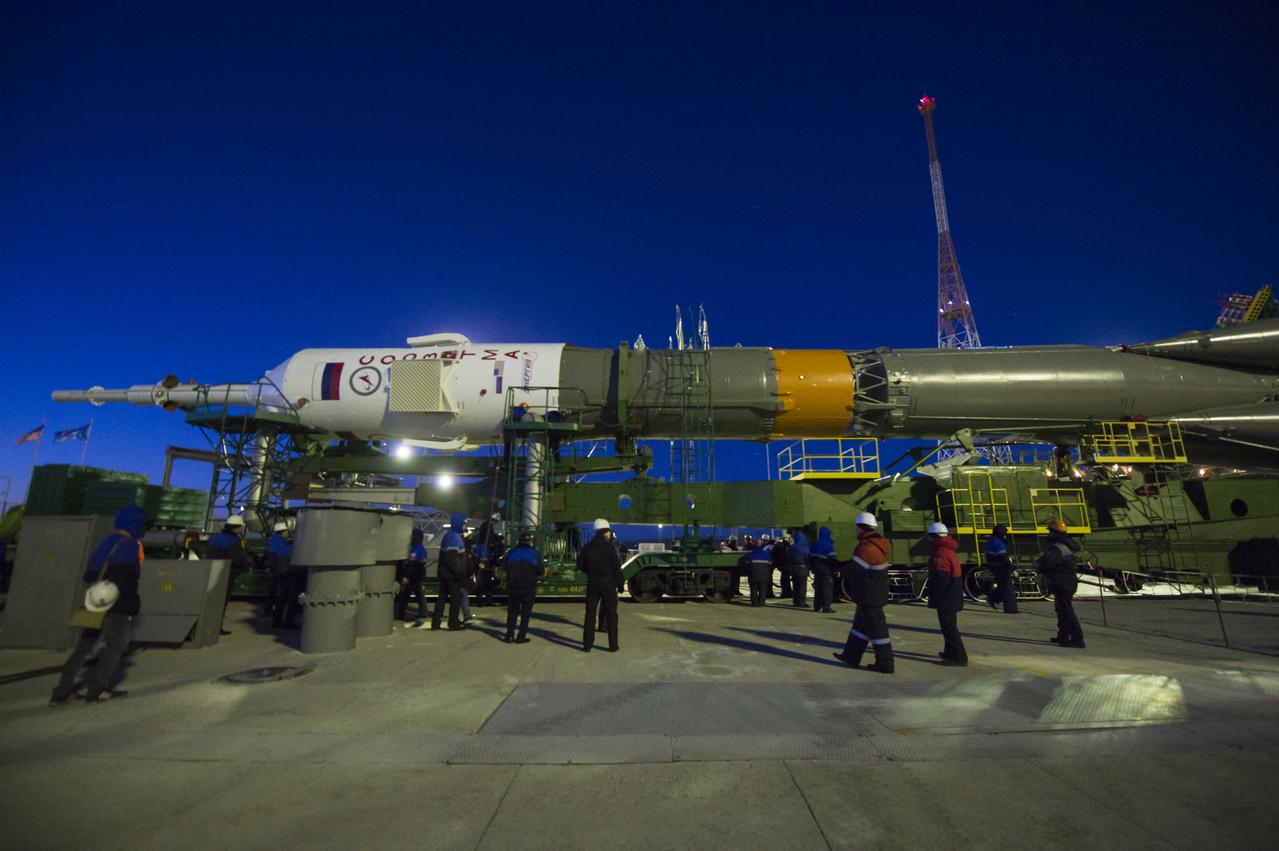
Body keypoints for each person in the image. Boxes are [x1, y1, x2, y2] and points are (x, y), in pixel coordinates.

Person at [51, 504, 148, 704]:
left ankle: (62, 691)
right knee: (116, 645)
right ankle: (97, 689)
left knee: (84, 646)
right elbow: (126, 580)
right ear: (136, 524)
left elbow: (89, 574)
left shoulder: (106, 542)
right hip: (117, 605)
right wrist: (132, 604)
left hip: (94, 602)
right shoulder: (130, 545)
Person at [834, 512, 895, 674]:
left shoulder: (867, 547)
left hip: (870, 595)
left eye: (856, 528)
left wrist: (840, 568)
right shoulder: (876, 544)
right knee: (859, 627)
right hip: (870, 594)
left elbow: (855, 569)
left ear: (861, 528)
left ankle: (885, 664)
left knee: (878, 631)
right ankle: (851, 656)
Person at [925, 522, 968, 666]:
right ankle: (950, 651)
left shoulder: (940, 553)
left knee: (949, 628)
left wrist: (933, 594)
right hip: (952, 594)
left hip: (946, 597)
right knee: (949, 626)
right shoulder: (948, 550)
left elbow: (941, 578)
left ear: (933, 536)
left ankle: (959, 657)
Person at [1038, 519, 1085, 648]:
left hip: (1062, 582)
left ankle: (1077, 638)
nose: (1049, 534)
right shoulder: (1064, 545)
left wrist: (1038, 565)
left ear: (1054, 532)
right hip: (1064, 581)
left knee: (1066, 611)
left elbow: (1047, 563)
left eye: (1050, 531)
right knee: (1062, 609)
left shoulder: (1057, 548)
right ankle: (1063, 635)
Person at [580, 518, 623, 652]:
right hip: (608, 584)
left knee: (590, 614)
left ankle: (587, 645)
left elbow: (580, 565)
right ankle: (613, 646)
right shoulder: (610, 547)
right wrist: (621, 584)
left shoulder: (587, 547)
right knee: (611, 614)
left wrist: (590, 572)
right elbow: (617, 568)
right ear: (606, 532)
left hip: (592, 583)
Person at [206, 514, 249, 635]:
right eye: (240, 527)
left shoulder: (216, 538)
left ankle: (207, 625)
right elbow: (237, 558)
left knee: (210, 599)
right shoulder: (235, 541)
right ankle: (217, 627)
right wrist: (244, 566)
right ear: (237, 528)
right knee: (222, 601)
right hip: (226, 573)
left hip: (211, 571)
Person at [503, 531, 546, 643]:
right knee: (525, 613)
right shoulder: (534, 554)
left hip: (513, 586)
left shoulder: (511, 553)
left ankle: (509, 635)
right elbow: (540, 571)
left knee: (512, 612)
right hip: (528, 587)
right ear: (530, 542)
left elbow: (504, 567)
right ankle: (521, 636)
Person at [431, 512, 467, 631]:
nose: (464, 525)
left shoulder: (448, 535)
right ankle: (453, 623)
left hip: (444, 574)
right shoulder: (455, 538)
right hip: (452, 576)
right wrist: (460, 574)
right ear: (459, 523)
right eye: (463, 523)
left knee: (441, 599)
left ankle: (435, 623)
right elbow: (453, 560)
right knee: (455, 600)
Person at [267, 521, 299, 629]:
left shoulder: (276, 543)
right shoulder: (288, 545)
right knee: (292, 598)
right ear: (283, 532)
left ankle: (276, 621)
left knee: (281, 598)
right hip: (290, 573)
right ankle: (289, 622)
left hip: (280, 573)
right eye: (286, 531)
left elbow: (273, 558)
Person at [395, 528, 429, 624]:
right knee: (420, 596)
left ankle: (400, 614)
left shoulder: (414, 549)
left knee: (405, 596)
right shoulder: (422, 549)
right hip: (419, 575)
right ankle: (423, 613)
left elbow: (411, 564)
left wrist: (406, 575)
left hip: (413, 576)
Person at [985, 524, 1018, 614]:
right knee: (1008, 587)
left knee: (1003, 585)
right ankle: (1010, 609)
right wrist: (1012, 568)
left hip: (994, 565)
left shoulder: (991, 540)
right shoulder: (998, 542)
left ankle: (993, 598)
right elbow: (1003, 556)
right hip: (1001, 566)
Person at [810, 526, 836, 613]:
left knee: (818, 589)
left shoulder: (814, 544)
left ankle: (816, 606)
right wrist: (835, 570)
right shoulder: (829, 545)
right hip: (826, 571)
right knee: (827, 589)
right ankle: (826, 607)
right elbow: (832, 559)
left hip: (817, 571)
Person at [787, 528, 810, 607]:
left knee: (795, 586)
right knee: (802, 587)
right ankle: (801, 601)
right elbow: (807, 558)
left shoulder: (791, 548)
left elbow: (788, 558)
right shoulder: (804, 548)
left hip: (793, 569)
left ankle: (796, 601)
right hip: (802, 569)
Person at [747, 537, 772, 607]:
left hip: (753, 575)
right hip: (764, 575)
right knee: (763, 589)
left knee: (753, 589)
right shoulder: (767, 553)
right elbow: (770, 563)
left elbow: (747, 563)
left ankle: (754, 603)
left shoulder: (751, 553)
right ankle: (761, 603)